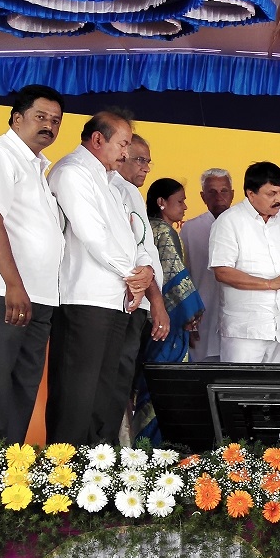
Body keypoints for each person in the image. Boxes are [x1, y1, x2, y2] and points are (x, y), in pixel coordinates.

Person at [46, 111, 157, 445]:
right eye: (122, 144)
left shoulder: (111, 183)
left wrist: (144, 270)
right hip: (85, 298)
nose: (125, 152)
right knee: (76, 394)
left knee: (103, 396)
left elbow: (133, 237)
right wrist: (133, 275)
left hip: (115, 299)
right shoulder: (72, 172)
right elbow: (93, 234)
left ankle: (96, 467)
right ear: (97, 139)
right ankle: (64, 467)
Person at [0, 85, 65, 443]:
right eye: (40, 117)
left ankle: (8, 467)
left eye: (56, 121)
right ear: (17, 119)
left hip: (39, 296)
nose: (49, 125)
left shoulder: (37, 167)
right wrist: (13, 284)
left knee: (22, 391)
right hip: (6, 292)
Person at [208, 162, 280, 363]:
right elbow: (222, 271)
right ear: (251, 194)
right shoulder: (229, 221)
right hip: (244, 331)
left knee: (277, 384)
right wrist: (270, 284)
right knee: (241, 383)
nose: (279, 199)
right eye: (271, 193)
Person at [133, 178, 206, 442]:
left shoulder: (147, 226)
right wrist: (192, 312)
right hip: (167, 320)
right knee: (166, 382)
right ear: (161, 202)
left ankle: (141, 440)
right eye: (180, 201)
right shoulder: (164, 231)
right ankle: (159, 444)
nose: (185, 207)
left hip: (145, 315)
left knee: (146, 380)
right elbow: (174, 276)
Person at [110, 130, 167, 442]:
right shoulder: (115, 189)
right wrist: (156, 302)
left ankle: (123, 446)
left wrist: (155, 302)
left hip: (137, 304)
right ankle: (114, 448)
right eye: (139, 159)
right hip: (125, 301)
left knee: (125, 380)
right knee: (117, 379)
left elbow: (145, 252)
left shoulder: (130, 192)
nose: (146, 167)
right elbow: (134, 255)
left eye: (148, 161)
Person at [180, 168, 234, 362]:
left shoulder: (245, 225)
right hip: (202, 315)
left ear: (232, 194)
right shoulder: (190, 228)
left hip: (239, 316)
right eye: (212, 192)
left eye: (224, 191)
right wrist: (187, 317)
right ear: (203, 196)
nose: (219, 197)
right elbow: (184, 277)